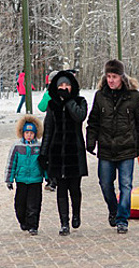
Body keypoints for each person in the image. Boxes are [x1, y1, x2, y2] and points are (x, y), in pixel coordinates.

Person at [86, 59, 139, 234]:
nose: (111, 80)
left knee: (126, 185)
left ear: (122, 77)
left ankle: (122, 219)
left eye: (114, 76)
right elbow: (93, 121)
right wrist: (90, 141)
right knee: (105, 183)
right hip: (105, 149)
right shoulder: (100, 96)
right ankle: (113, 210)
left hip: (127, 149)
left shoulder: (134, 97)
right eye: (108, 76)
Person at [40, 70, 89, 235]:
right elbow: (48, 130)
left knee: (74, 188)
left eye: (66, 85)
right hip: (57, 153)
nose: (63, 87)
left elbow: (79, 116)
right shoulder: (52, 106)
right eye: (60, 85)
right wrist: (43, 153)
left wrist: (68, 100)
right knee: (61, 189)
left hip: (74, 151)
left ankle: (76, 214)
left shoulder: (80, 101)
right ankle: (64, 222)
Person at [4, 115, 44, 236]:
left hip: (35, 180)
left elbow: (44, 163)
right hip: (21, 180)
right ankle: (23, 221)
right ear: (22, 133)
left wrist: (49, 177)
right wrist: (9, 179)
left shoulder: (39, 146)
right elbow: (11, 163)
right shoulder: (17, 147)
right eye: (26, 132)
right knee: (19, 205)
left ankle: (33, 225)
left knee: (34, 204)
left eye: (31, 133)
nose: (29, 135)